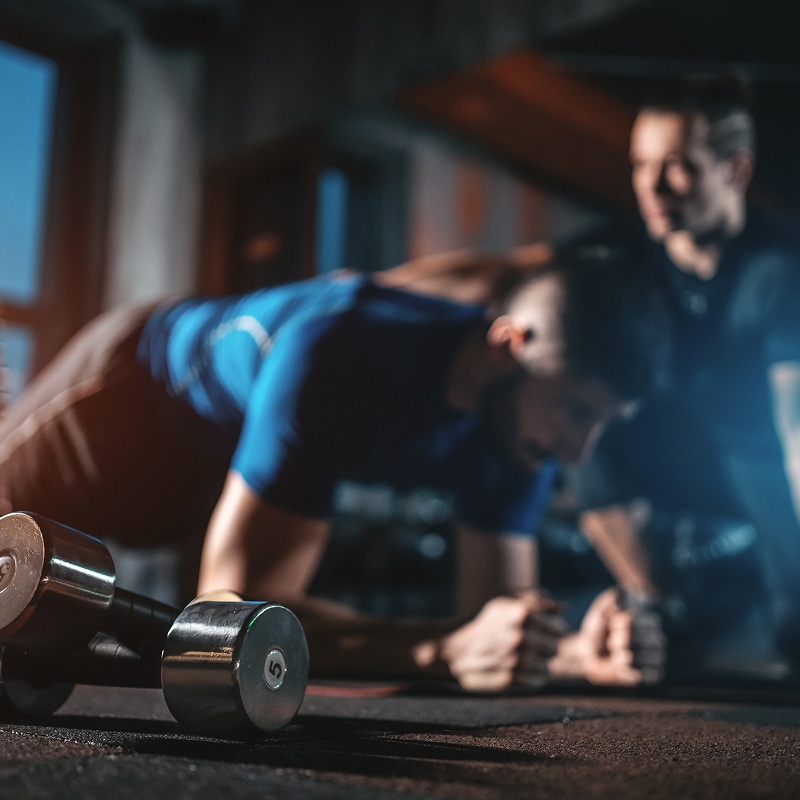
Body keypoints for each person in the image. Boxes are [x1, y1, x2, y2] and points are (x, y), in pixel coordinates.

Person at [0, 244, 669, 691]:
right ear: (508, 346)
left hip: (225, 464)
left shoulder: (524, 432)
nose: (579, 452)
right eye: (577, 412)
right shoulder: (338, 354)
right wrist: (437, 653)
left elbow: (491, 624)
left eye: (601, 424)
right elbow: (228, 618)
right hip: (127, 401)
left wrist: (575, 652)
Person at [569, 72, 800, 676]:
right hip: (671, 452)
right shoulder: (624, 256)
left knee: (795, 636)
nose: (652, 186)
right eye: (640, 164)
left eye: (676, 166)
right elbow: (500, 272)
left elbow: (797, 430)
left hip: (765, 462)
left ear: (736, 171)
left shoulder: (780, 270)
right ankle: (663, 611)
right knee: (589, 426)